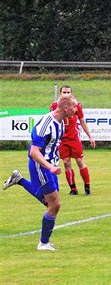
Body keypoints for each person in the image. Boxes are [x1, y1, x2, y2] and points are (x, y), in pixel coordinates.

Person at [3, 95, 78, 251]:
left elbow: (53, 146)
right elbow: (34, 152)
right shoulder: (45, 125)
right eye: (74, 107)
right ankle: (43, 243)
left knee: (50, 203)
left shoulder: (62, 122)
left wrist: (55, 163)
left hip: (51, 166)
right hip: (41, 166)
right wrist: (49, 167)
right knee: (55, 204)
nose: (76, 109)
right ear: (65, 108)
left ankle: (19, 179)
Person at [50, 86, 96, 196]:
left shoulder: (76, 105)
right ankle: (73, 188)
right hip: (62, 140)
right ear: (60, 94)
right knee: (66, 162)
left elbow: (82, 121)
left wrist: (90, 136)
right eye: (64, 92)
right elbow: (51, 122)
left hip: (74, 138)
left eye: (68, 92)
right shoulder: (54, 106)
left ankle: (87, 186)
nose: (66, 94)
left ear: (71, 93)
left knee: (80, 161)